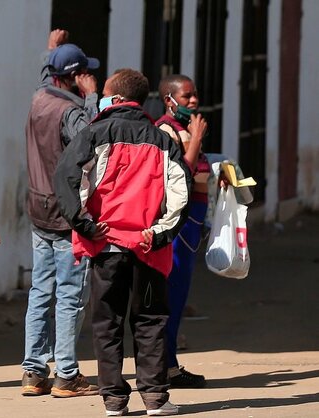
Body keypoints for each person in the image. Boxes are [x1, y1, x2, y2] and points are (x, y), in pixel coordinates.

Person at [54, 69, 191, 416]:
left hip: (106, 246)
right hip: (148, 247)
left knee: (107, 321)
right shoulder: (161, 140)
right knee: (150, 320)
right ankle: (156, 397)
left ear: (114, 99)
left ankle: (114, 399)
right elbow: (181, 192)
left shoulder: (94, 133)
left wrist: (84, 224)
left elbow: (66, 178)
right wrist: (161, 232)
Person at [21, 29, 100, 398]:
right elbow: (92, 142)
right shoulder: (72, 111)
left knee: (40, 290)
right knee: (70, 294)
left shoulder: (40, 98)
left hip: (38, 208)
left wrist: (51, 51)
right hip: (67, 214)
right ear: (73, 78)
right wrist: (93, 97)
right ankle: (66, 374)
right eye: (83, 74)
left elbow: (48, 78)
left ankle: (33, 372)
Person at [156, 74, 210, 389]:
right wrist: (197, 138)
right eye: (186, 96)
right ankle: (165, 366)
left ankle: (170, 363)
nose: (193, 101)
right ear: (169, 100)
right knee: (172, 294)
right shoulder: (166, 130)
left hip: (192, 224)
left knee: (179, 294)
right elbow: (177, 176)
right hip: (179, 225)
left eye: (194, 95)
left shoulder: (184, 129)